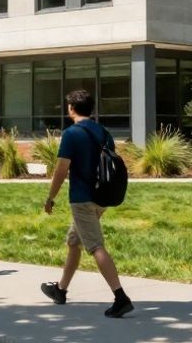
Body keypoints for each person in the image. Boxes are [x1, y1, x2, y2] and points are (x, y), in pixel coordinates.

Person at [40, 89, 133, 318]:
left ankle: (120, 297)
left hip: (82, 199)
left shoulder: (71, 134)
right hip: (102, 198)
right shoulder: (103, 132)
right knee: (74, 241)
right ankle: (60, 290)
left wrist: (50, 198)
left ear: (71, 108)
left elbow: (61, 169)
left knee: (95, 246)